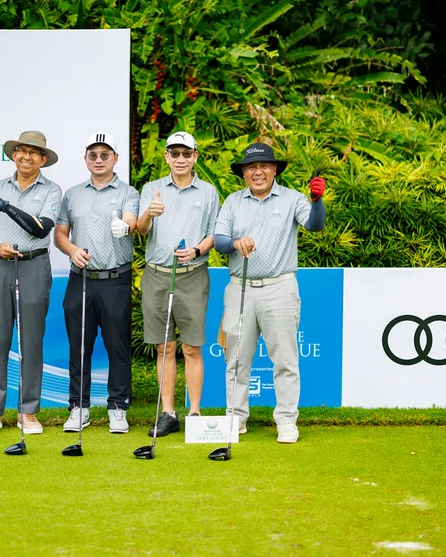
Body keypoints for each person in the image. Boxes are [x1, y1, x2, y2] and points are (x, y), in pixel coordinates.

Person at [213, 142, 326, 444]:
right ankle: (236, 417)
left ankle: (287, 421)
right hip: (240, 288)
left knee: (285, 359)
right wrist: (236, 242)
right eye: (251, 167)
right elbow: (220, 240)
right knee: (236, 358)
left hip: (280, 287)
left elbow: (315, 225)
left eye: (264, 166)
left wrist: (317, 201)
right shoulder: (233, 201)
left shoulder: (292, 198)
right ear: (244, 173)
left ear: (275, 169)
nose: (258, 171)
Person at [0, 131, 62, 436]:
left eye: (34, 152)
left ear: (43, 159)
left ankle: (28, 411)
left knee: (31, 340)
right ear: (14, 155)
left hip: (33, 264)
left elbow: (41, 229)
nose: (26, 156)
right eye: (21, 151)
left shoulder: (51, 190)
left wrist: (6, 207)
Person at [54, 133, 140, 433]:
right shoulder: (72, 194)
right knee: (79, 346)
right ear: (86, 159)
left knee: (117, 346)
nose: (99, 159)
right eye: (93, 155)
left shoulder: (129, 192)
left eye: (105, 154)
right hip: (81, 280)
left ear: (115, 158)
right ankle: (79, 407)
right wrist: (72, 250)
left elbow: (131, 219)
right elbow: (60, 234)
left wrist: (125, 225)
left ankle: (117, 407)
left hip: (115, 278)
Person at [138, 131, 220, 436]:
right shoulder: (152, 189)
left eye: (186, 153)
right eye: (175, 153)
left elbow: (215, 233)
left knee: (192, 348)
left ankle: (195, 413)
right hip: (157, 273)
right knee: (164, 347)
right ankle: (169, 412)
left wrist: (198, 249)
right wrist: (149, 213)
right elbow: (141, 230)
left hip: (193, 274)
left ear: (195, 156)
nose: (181, 159)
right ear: (167, 157)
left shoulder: (208, 192)